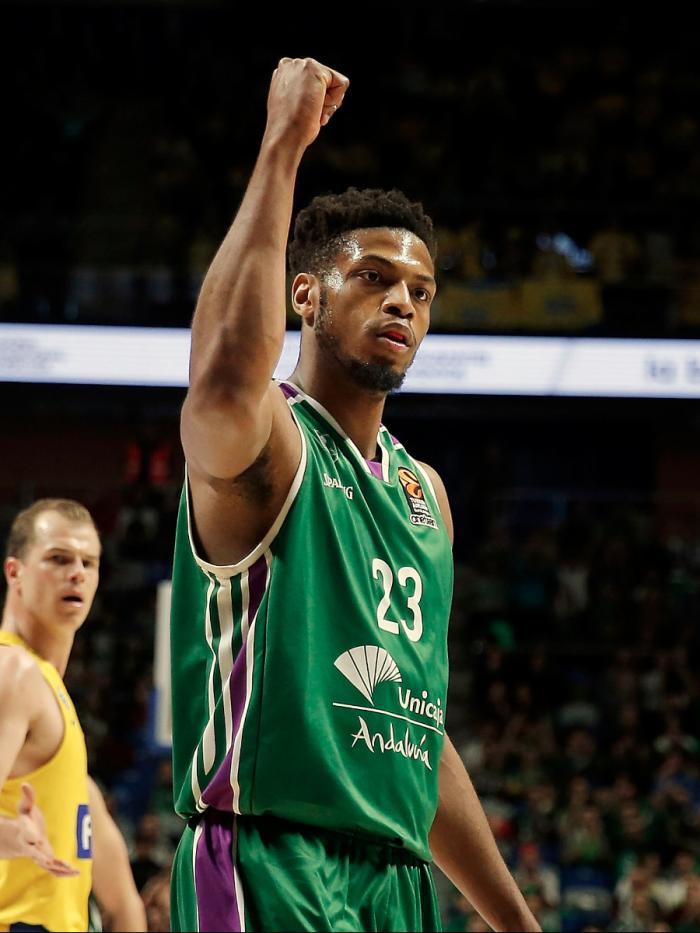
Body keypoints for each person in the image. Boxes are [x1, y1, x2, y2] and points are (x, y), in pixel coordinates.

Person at [169, 57, 540, 933]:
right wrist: (282, 146)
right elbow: (222, 382)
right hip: (269, 857)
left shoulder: (427, 495)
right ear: (306, 294)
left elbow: (414, 730)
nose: (402, 300)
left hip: (398, 884)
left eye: (420, 290)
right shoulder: (271, 440)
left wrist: (515, 921)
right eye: (373, 276)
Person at [0, 498, 146, 932]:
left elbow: (124, 907)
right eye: (58, 559)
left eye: (90, 562)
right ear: (15, 573)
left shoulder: (48, 696)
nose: (77, 573)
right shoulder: (12, 671)